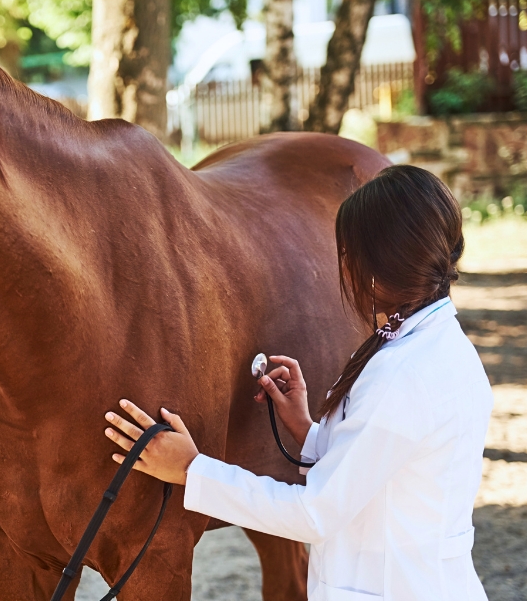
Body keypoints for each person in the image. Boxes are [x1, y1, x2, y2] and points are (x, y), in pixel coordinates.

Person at [104, 165, 492, 600]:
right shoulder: (444, 349)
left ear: (376, 265)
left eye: (348, 255)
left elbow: (315, 515)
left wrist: (192, 469)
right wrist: (308, 431)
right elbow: (382, 469)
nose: (343, 269)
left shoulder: (402, 373)